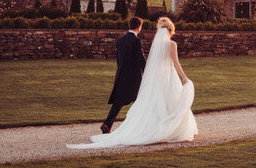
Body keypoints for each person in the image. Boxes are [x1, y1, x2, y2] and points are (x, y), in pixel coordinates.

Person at [68, 17, 197, 148]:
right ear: (170, 30)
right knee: (155, 102)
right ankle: (160, 128)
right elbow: (164, 61)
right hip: (150, 76)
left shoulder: (123, 40)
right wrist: (182, 77)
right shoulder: (157, 43)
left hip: (123, 74)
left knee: (131, 102)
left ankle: (112, 124)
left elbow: (120, 60)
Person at [101, 17, 147, 134]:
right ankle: (139, 126)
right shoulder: (136, 40)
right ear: (139, 27)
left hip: (121, 74)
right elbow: (140, 58)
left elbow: (119, 59)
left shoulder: (120, 39)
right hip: (133, 77)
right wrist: (147, 70)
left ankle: (107, 124)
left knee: (118, 102)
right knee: (138, 100)